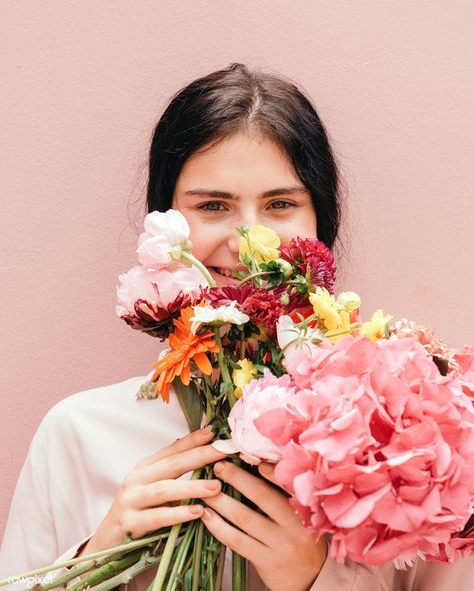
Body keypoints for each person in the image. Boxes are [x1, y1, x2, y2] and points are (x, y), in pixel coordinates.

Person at [0, 63, 472, 590]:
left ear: (322, 224)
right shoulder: (78, 435)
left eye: (280, 205)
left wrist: (319, 579)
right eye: (213, 206)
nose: (250, 241)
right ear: (165, 223)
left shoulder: (409, 443)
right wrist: (99, 556)